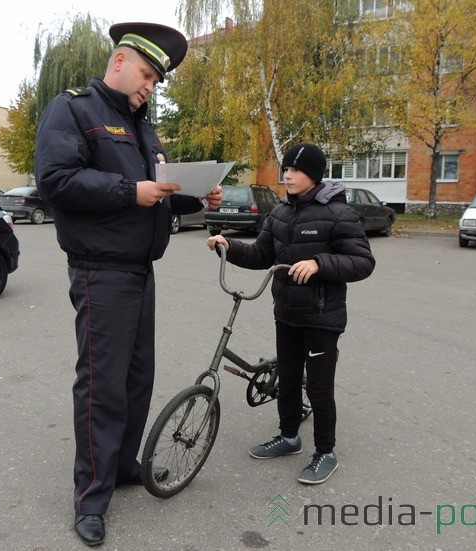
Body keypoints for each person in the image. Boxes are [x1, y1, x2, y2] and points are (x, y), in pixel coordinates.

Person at [34, 22, 222, 547]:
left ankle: (119, 466)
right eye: (147, 74)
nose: (150, 87)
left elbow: (155, 192)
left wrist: (194, 198)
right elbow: (55, 181)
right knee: (101, 384)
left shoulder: (143, 127)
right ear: (119, 61)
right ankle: (90, 498)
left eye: (157, 81)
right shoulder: (73, 110)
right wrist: (127, 190)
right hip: (101, 271)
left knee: (138, 377)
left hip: (141, 270)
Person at [206, 143, 375, 485]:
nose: (288, 175)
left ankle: (326, 452)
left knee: (318, 387)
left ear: (314, 175)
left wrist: (319, 263)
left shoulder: (338, 214)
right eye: (286, 169)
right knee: (287, 376)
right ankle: (288, 437)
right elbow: (260, 254)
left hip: (322, 315)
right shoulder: (280, 213)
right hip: (286, 311)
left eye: (296, 170)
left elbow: (363, 262)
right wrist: (229, 245)